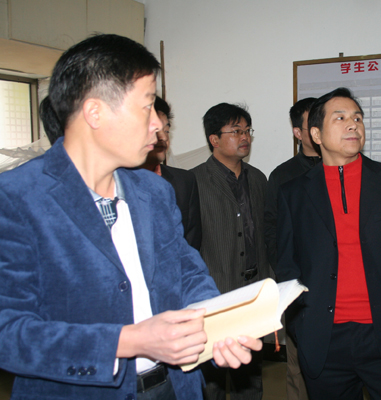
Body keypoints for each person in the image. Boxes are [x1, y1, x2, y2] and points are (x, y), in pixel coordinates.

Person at [0, 34, 262, 400]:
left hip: (175, 386)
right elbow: (9, 333)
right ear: (95, 112)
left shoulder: (153, 191)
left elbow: (187, 273)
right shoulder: (16, 197)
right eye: (147, 107)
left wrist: (217, 326)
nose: (157, 124)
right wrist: (129, 340)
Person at [276, 87, 381, 400]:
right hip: (324, 340)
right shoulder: (293, 193)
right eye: (340, 118)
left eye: (358, 118)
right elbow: (287, 267)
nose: (353, 124)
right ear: (316, 134)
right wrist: (301, 327)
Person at [191, 103, 269, 400]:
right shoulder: (194, 181)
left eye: (247, 130)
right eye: (236, 131)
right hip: (213, 293)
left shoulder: (258, 179)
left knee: (249, 378)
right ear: (214, 138)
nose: (245, 137)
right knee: (210, 382)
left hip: (253, 293)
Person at [264, 97, 319, 400]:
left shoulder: (345, 167)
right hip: (299, 283)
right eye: (313, 122)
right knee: (298, 365)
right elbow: (271, 229)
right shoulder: (283, 175)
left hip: (343, 284)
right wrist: (287, 277)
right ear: (298, 132)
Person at [141, 96, 201, 251]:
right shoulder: (115, 181)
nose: (163, 137)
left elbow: (191, 241)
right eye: (155, 129)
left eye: (166, 130)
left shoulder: (185, 181)